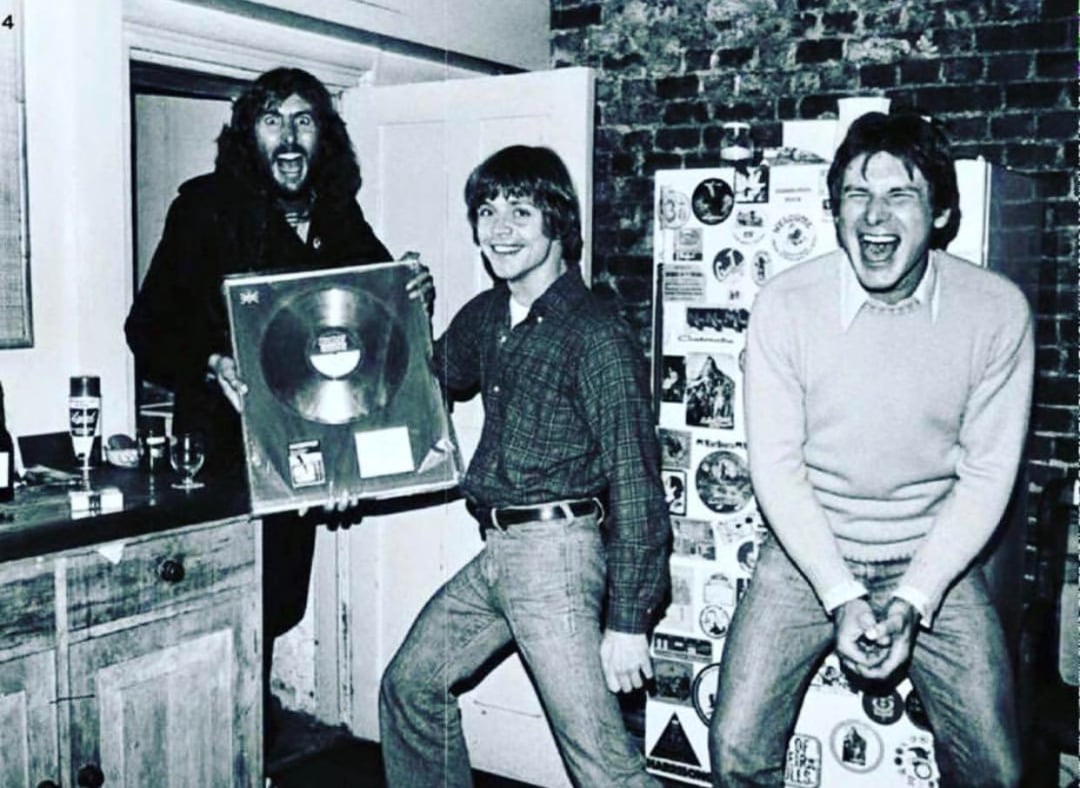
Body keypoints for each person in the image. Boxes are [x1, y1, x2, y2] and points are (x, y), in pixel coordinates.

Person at [708, 110, 1033, 787]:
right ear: (835, 210)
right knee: (735, 746)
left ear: (942, 212)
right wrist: (839, 593)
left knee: (996, 769)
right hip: (809, 550)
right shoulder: (785, 304)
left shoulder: (997, 311)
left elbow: (987, 475)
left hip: (930, 548)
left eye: (900, 194)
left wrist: (915, 598)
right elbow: (777, 466)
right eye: (857, 194)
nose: (874, 217)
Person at [124, 67, 432, 757]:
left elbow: (379, 324)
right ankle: (225, 754)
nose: (289, 137)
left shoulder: (338, 213)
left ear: (323, 134)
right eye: (272, 120)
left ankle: (245, 744)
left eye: (303, 120)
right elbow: (146, 330)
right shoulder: (203, 209)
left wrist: (412, 288)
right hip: (222, 459)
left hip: (309, 453)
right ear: (247, 134)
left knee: (279, 603)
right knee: (224, 611)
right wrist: (211, 361)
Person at [378, 145, 671, 787]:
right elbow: (427, 383)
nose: (499, 229)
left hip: (557, 557)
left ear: (557, 222)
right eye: (487, 211)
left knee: (605, 767)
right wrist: (402, 303)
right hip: (501, 552)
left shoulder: (595, 333)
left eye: (520, 210)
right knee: (412, 689)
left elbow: (637, 480)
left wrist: (629, 621)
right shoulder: (487, 316)